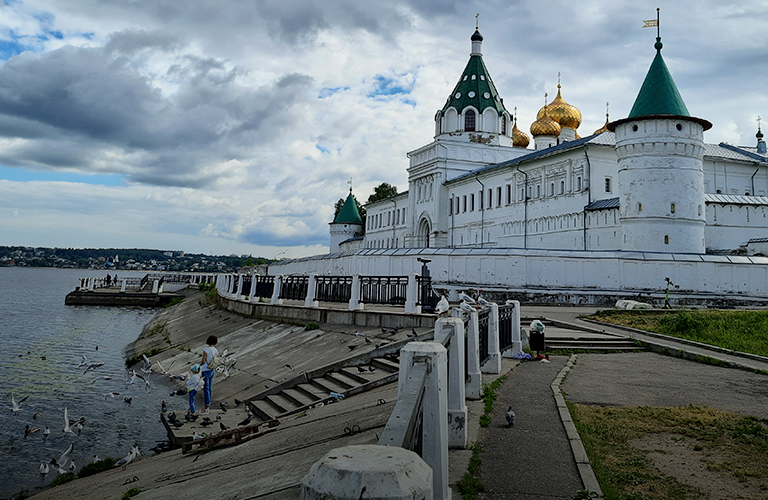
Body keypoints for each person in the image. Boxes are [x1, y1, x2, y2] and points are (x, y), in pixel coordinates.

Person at [200, 335, 219, 414]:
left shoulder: (206, 349)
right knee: (210, 387)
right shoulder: (215, 350)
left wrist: (199, 365)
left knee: (206, 388)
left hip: (205, 370)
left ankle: (206, 407)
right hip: (212, 370)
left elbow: (203, 361)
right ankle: (208, 405)